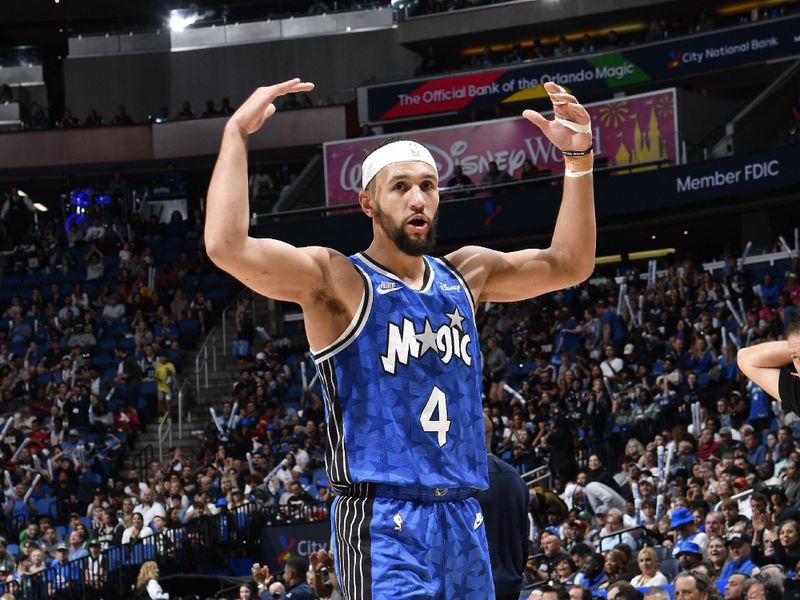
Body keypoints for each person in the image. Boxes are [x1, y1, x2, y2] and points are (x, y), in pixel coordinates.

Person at [206, 77, 596, 599]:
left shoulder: (466, 274)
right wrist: (235, 133)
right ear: (367, 202)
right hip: (382, 513)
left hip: (462, 510)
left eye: (428, 186)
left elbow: (570, 264)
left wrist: (580, 161)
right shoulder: (337, 280)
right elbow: (227, 245)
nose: (418, 198)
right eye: (401, 187)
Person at [476, 415, 529, 600]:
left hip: (477, 585)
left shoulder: (467, 481)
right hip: (510, 584)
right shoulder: (516, 478)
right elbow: (524, 541)